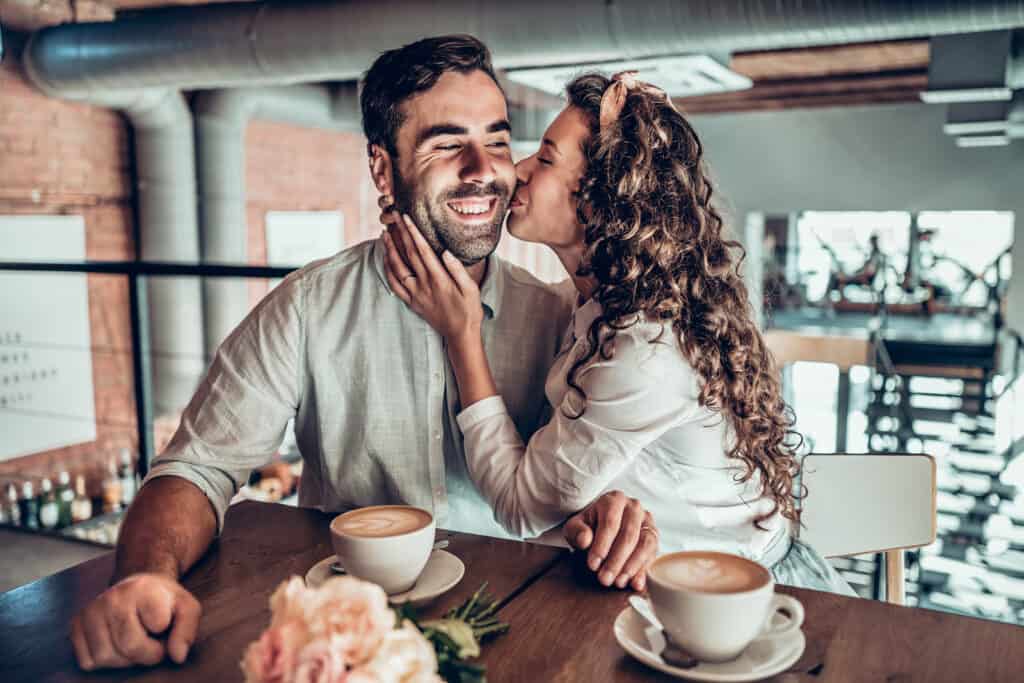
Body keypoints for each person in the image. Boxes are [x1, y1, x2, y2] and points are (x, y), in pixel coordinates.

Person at [69, 38, 661, 673]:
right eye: (444, 144)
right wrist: (143, 578)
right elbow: (196, 469)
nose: (484, 168)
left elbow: (572, 485)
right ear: (383, 170)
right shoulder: (306, 307)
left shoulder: (558, 317)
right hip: (349, 647)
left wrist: (609, 511)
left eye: (496, 139)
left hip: (520, 633)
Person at [382, 71, 853, 595]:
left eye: (545, 158)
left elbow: (520, 507)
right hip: (676, 587)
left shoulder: (646, 350)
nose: (516, 171)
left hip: (744, 599)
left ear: (598, 200)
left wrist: (461, 334)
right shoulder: (597, 307)